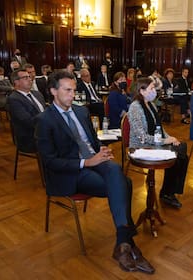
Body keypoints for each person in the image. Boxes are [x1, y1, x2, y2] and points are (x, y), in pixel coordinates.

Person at [35, 70, 154, 274]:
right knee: (124, 184)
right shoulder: (44, 120)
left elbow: (92, 140)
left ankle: (123, 244)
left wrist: (101, 150)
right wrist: (86, 162)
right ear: (53, 91)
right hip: (71, 171)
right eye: (67, 90)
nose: (73, 95)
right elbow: (50, 161)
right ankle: (127, 243)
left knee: (116, 170)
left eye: (74, 90)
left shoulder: (81, 112)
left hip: (94, 160)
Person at [128, 77, 189, 209]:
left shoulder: (151, 104)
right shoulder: (135, 107)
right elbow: (141, 136)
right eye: (151, 88)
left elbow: (159, 128)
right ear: (142, 91)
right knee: (176, 155)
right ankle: (167, 193)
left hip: (155, 141)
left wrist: (170, 137)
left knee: (182, 149)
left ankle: (170, 191)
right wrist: (164, 141)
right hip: (141, 146)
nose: (154, 91)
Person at [7, 69, 45, 153]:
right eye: (25, 77)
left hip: (45, 130)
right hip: (30, 137)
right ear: (16, 82)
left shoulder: (37, 94)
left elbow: (46, 112)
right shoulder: (14, 99)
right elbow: (27, 121)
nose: (30, 79)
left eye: (29, 77)